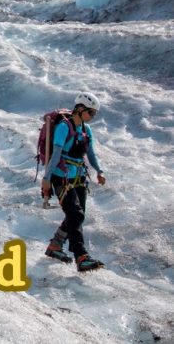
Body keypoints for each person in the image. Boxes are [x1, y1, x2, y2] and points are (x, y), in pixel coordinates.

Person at [41, 92, 107, 272]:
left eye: (94, 114)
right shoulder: (64, 127)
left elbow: (91, 154)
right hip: (60, 177)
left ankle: (55, 245)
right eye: (91, 113)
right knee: (76, 215)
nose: (92, 117)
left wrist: (99, 171)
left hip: (78, 177)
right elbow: (56, 154)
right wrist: (46, 179)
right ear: (80, 109)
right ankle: (81, 257)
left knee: (76, 215)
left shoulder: (86, 130)